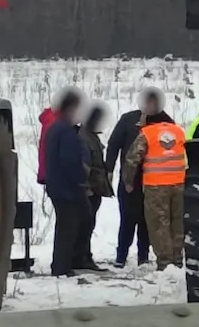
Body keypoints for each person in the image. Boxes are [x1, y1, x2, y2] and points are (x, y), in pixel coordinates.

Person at [105, 88, 165, 267]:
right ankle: (121, 256)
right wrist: (109, 169)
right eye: (148, 102)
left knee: (147, 219)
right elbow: (113, 144)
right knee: (127, 219)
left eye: (154, 102)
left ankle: (143, 257)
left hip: (154, 180)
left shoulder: (165, 121)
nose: (151, 106)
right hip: (129, 179)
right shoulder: (128, 120)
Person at [124, 110, 186, 270]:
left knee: (159, 224)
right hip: (180, 184)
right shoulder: (179, 131)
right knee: (177, 222)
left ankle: (165, 263)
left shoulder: (147, 133)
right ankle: (178, 260)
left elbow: (132, 159)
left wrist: (128, 181)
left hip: (156, 186)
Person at [42, 89, 91, 277]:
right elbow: (69, 159)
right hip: (66, 188)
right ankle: (61, 267)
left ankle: (64, 263)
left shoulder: (56, 128)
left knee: (67, 225)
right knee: (67, 228)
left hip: (57, 185)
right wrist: (80, 179)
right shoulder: (66, 131)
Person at [75, 104, 113, 272]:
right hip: (89, 189)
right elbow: (84, 165)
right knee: (84, 224)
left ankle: (84, 256)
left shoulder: (91, 136)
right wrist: (86, 187)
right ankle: (81, 257)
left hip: (96, 187)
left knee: (89, 224)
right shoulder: (83, 137)